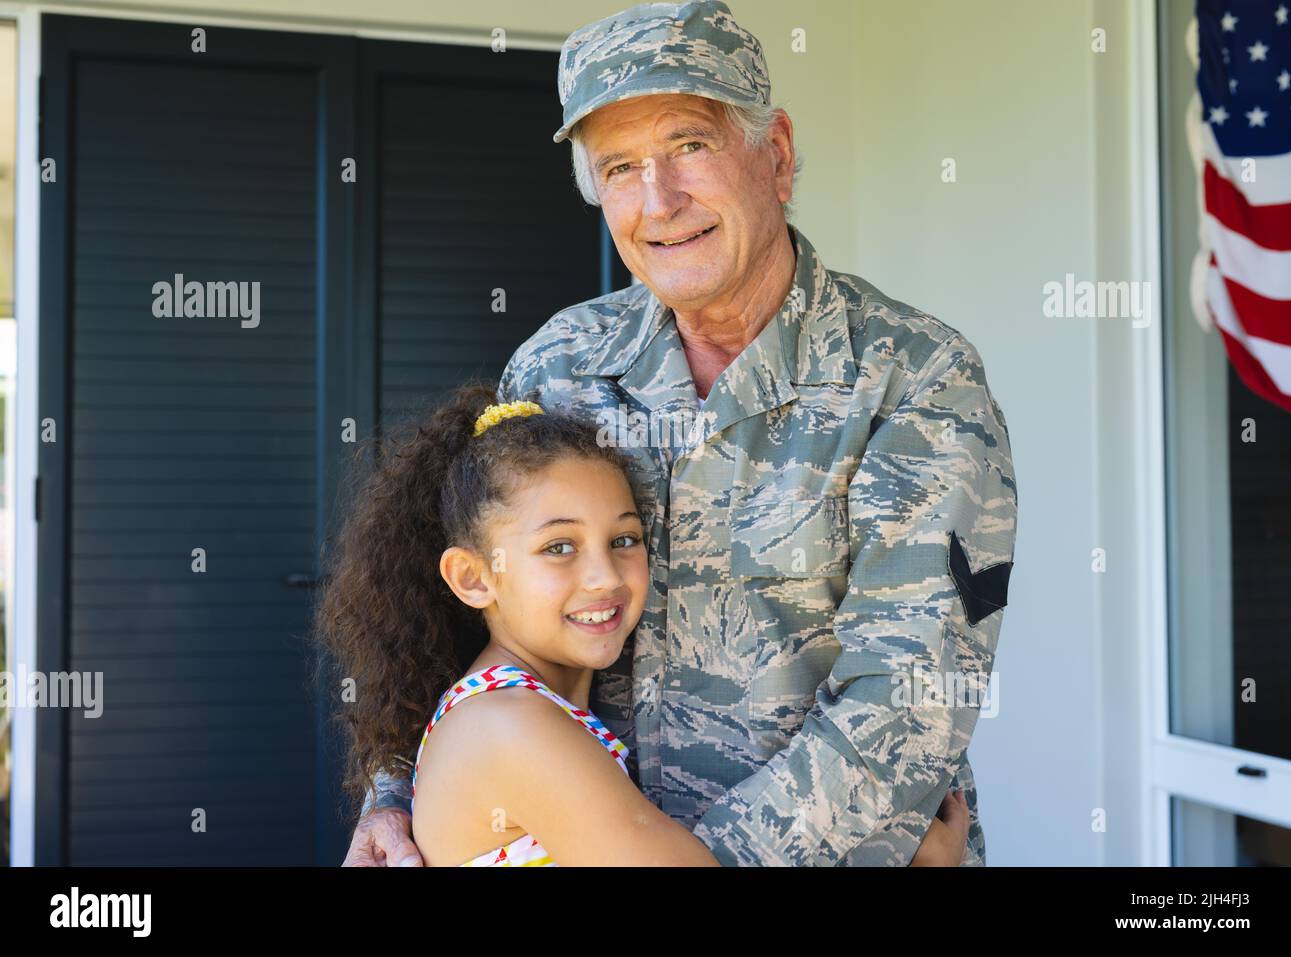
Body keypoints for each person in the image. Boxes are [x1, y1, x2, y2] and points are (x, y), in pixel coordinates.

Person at [346, 0, 1015, 867]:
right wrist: (396, 795)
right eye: (619, 166)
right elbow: (467, 606)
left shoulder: (914, 378)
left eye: (689, 146)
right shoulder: (560, 363)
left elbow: (910, 698)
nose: (657, 199)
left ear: (774, 155)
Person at [318, 384, 970, 866]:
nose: (605, 575)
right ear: (473, 577)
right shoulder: (508, 727)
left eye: (624, 538)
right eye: (559, 547)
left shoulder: (526, 710)